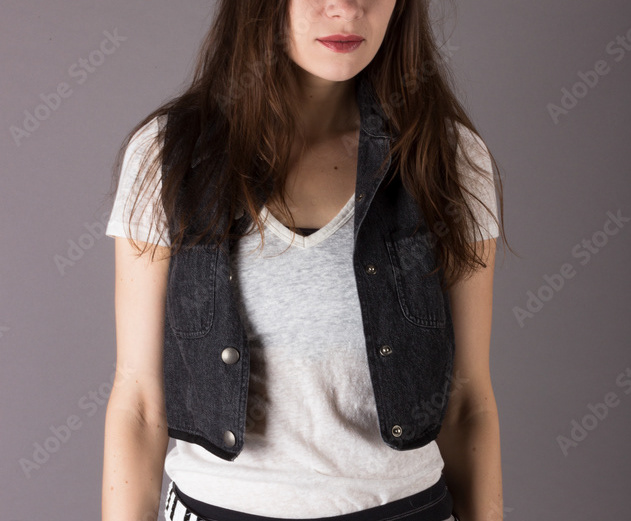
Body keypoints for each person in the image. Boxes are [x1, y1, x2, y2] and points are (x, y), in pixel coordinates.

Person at [102, 1, 510, 520]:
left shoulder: (446, 157)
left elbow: (467, 403)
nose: (347, 7)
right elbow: (138, 402)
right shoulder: (168, 154)